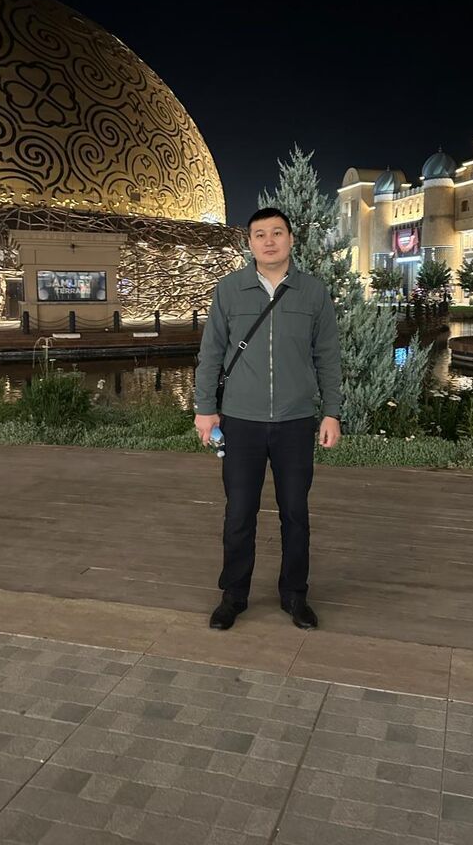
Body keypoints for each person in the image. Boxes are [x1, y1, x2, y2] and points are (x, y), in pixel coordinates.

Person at [194, 208, 342, 631]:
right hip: (241, 421)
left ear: (291, 239)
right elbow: (211, 353)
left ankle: (295, 594)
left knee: (295, 512)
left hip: (296, 420)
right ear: (250, 243)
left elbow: (328, 356)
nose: (269, 241)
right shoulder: (230, 290)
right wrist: (205, 408)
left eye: (277, 232)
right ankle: (233, 595)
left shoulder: (312, 292)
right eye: (260, 234)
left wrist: (331, 412)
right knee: (239, 512)